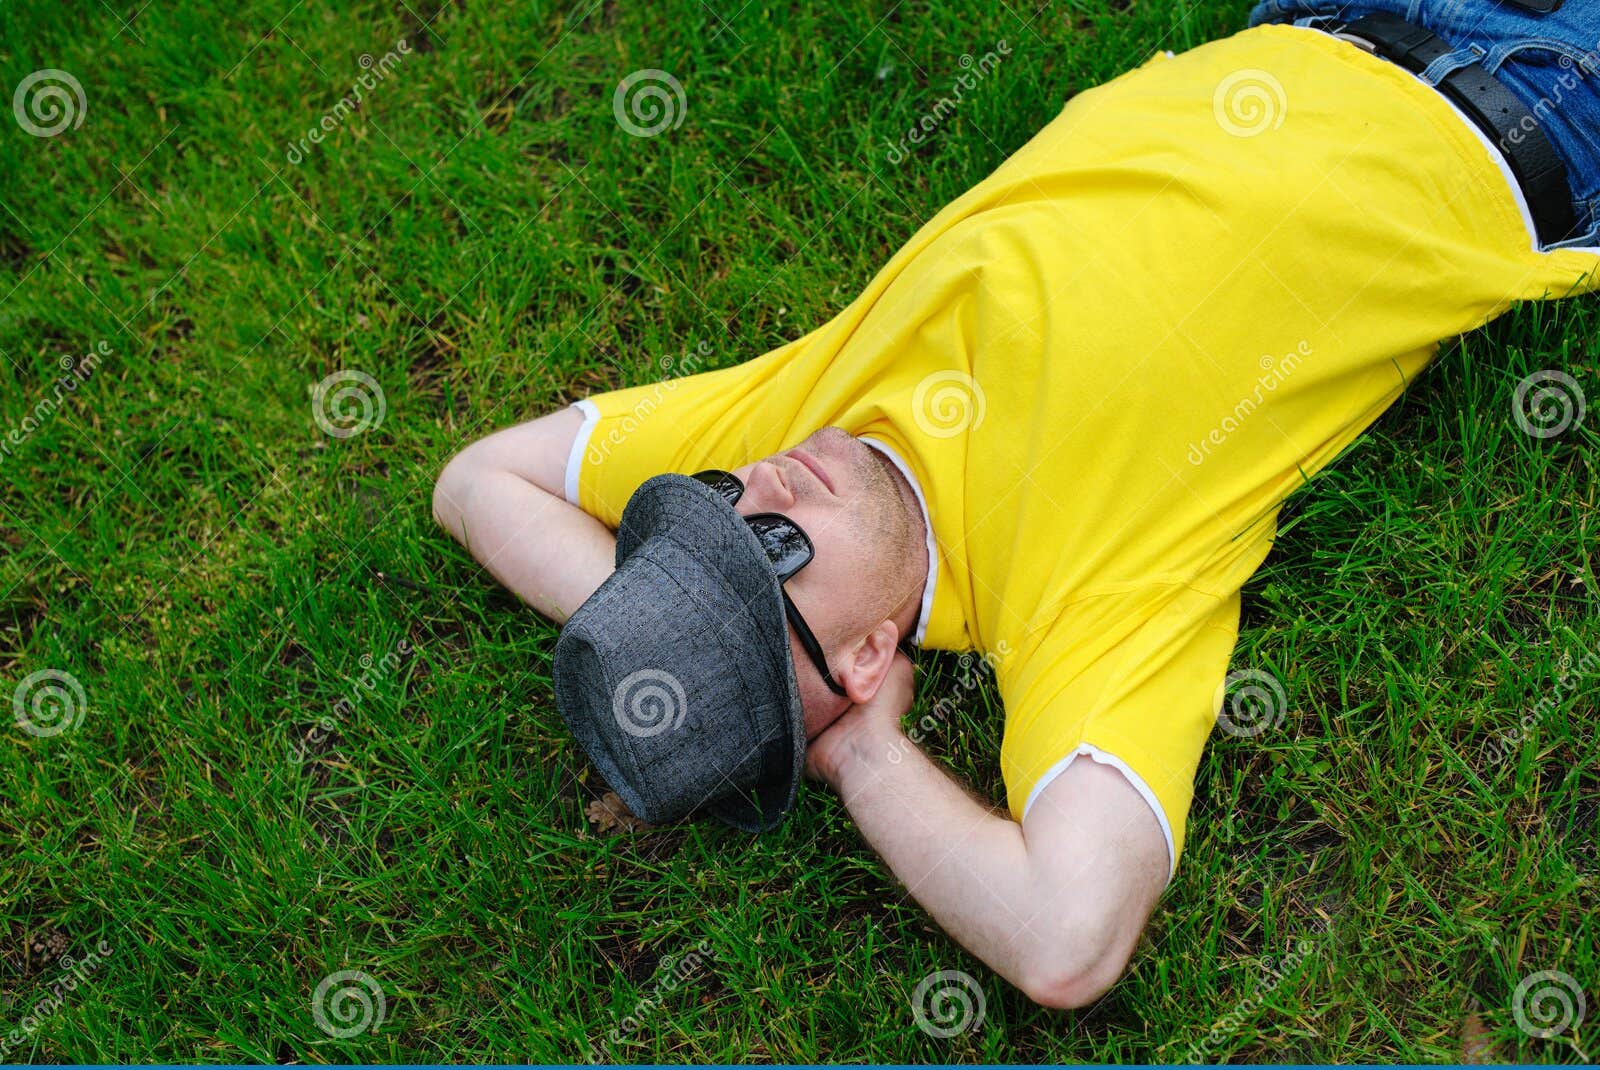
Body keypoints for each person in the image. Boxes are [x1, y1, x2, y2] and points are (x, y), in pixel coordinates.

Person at [433, 0, 1599, 1009]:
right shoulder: (1075, 606)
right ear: (866, 657)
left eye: (713, 505)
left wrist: (674, 610)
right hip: (1535, 99)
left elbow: (475, 480)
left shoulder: (794, 424)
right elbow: (1065, 943)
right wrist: (857, 752)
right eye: (773, 548)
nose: (769, 481)